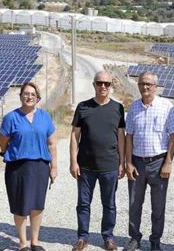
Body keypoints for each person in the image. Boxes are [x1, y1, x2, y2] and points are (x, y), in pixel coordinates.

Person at [70, 71, 126, 251]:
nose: (103, 86)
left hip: (109, 166)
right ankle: (82, 237)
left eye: (107, 84)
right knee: (83, 204)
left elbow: (121, 136)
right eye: (99, 83)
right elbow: (74, 135)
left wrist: (122, 162)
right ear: (94, 85)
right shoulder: (83, 107)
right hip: (86, 166)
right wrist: (73, 161)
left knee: (109, 204)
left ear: (111, 86)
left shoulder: (118, 108)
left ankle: (108, 237)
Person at [124, 71, 174, 251]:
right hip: (137, 163)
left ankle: (155, 240)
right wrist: (129, 163)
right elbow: (129, 137)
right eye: (142, 84)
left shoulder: (166, 106)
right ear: (138, 85)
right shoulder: (133, 107)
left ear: (156, 86)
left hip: (158, 162)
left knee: (158, 206)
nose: (145, 87)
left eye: (149, 84)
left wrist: (168, 162)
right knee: (134, 204)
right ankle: (134, 238)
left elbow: (173, 136)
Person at [0, 82, 58, 251]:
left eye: (33, 94)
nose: (29, 97)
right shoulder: (11, 118)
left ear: (37, 98)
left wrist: (53, 167)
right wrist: (8, 153)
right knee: (20, 204)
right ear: (20, 96)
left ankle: (35, 241)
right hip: (17, 168)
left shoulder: (45, 117)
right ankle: (23, 243)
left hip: (40, 166)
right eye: (26, 94)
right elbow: (3, 142)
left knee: (37, 205)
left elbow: (52, 143)